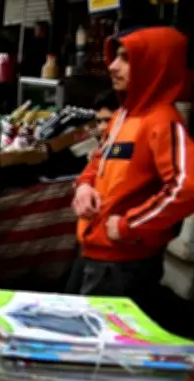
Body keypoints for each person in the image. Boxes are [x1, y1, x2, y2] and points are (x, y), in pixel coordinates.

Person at [69, 27, 194, 306]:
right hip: (93, 250)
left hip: (124, 264)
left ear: (154, 65)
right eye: (115, 57)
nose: (112, 66)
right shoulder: (122, 116)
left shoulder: (163, 121)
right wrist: (84, 186)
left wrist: (130, 225)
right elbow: (99, 160)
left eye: (126, 58)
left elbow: (186, 187)